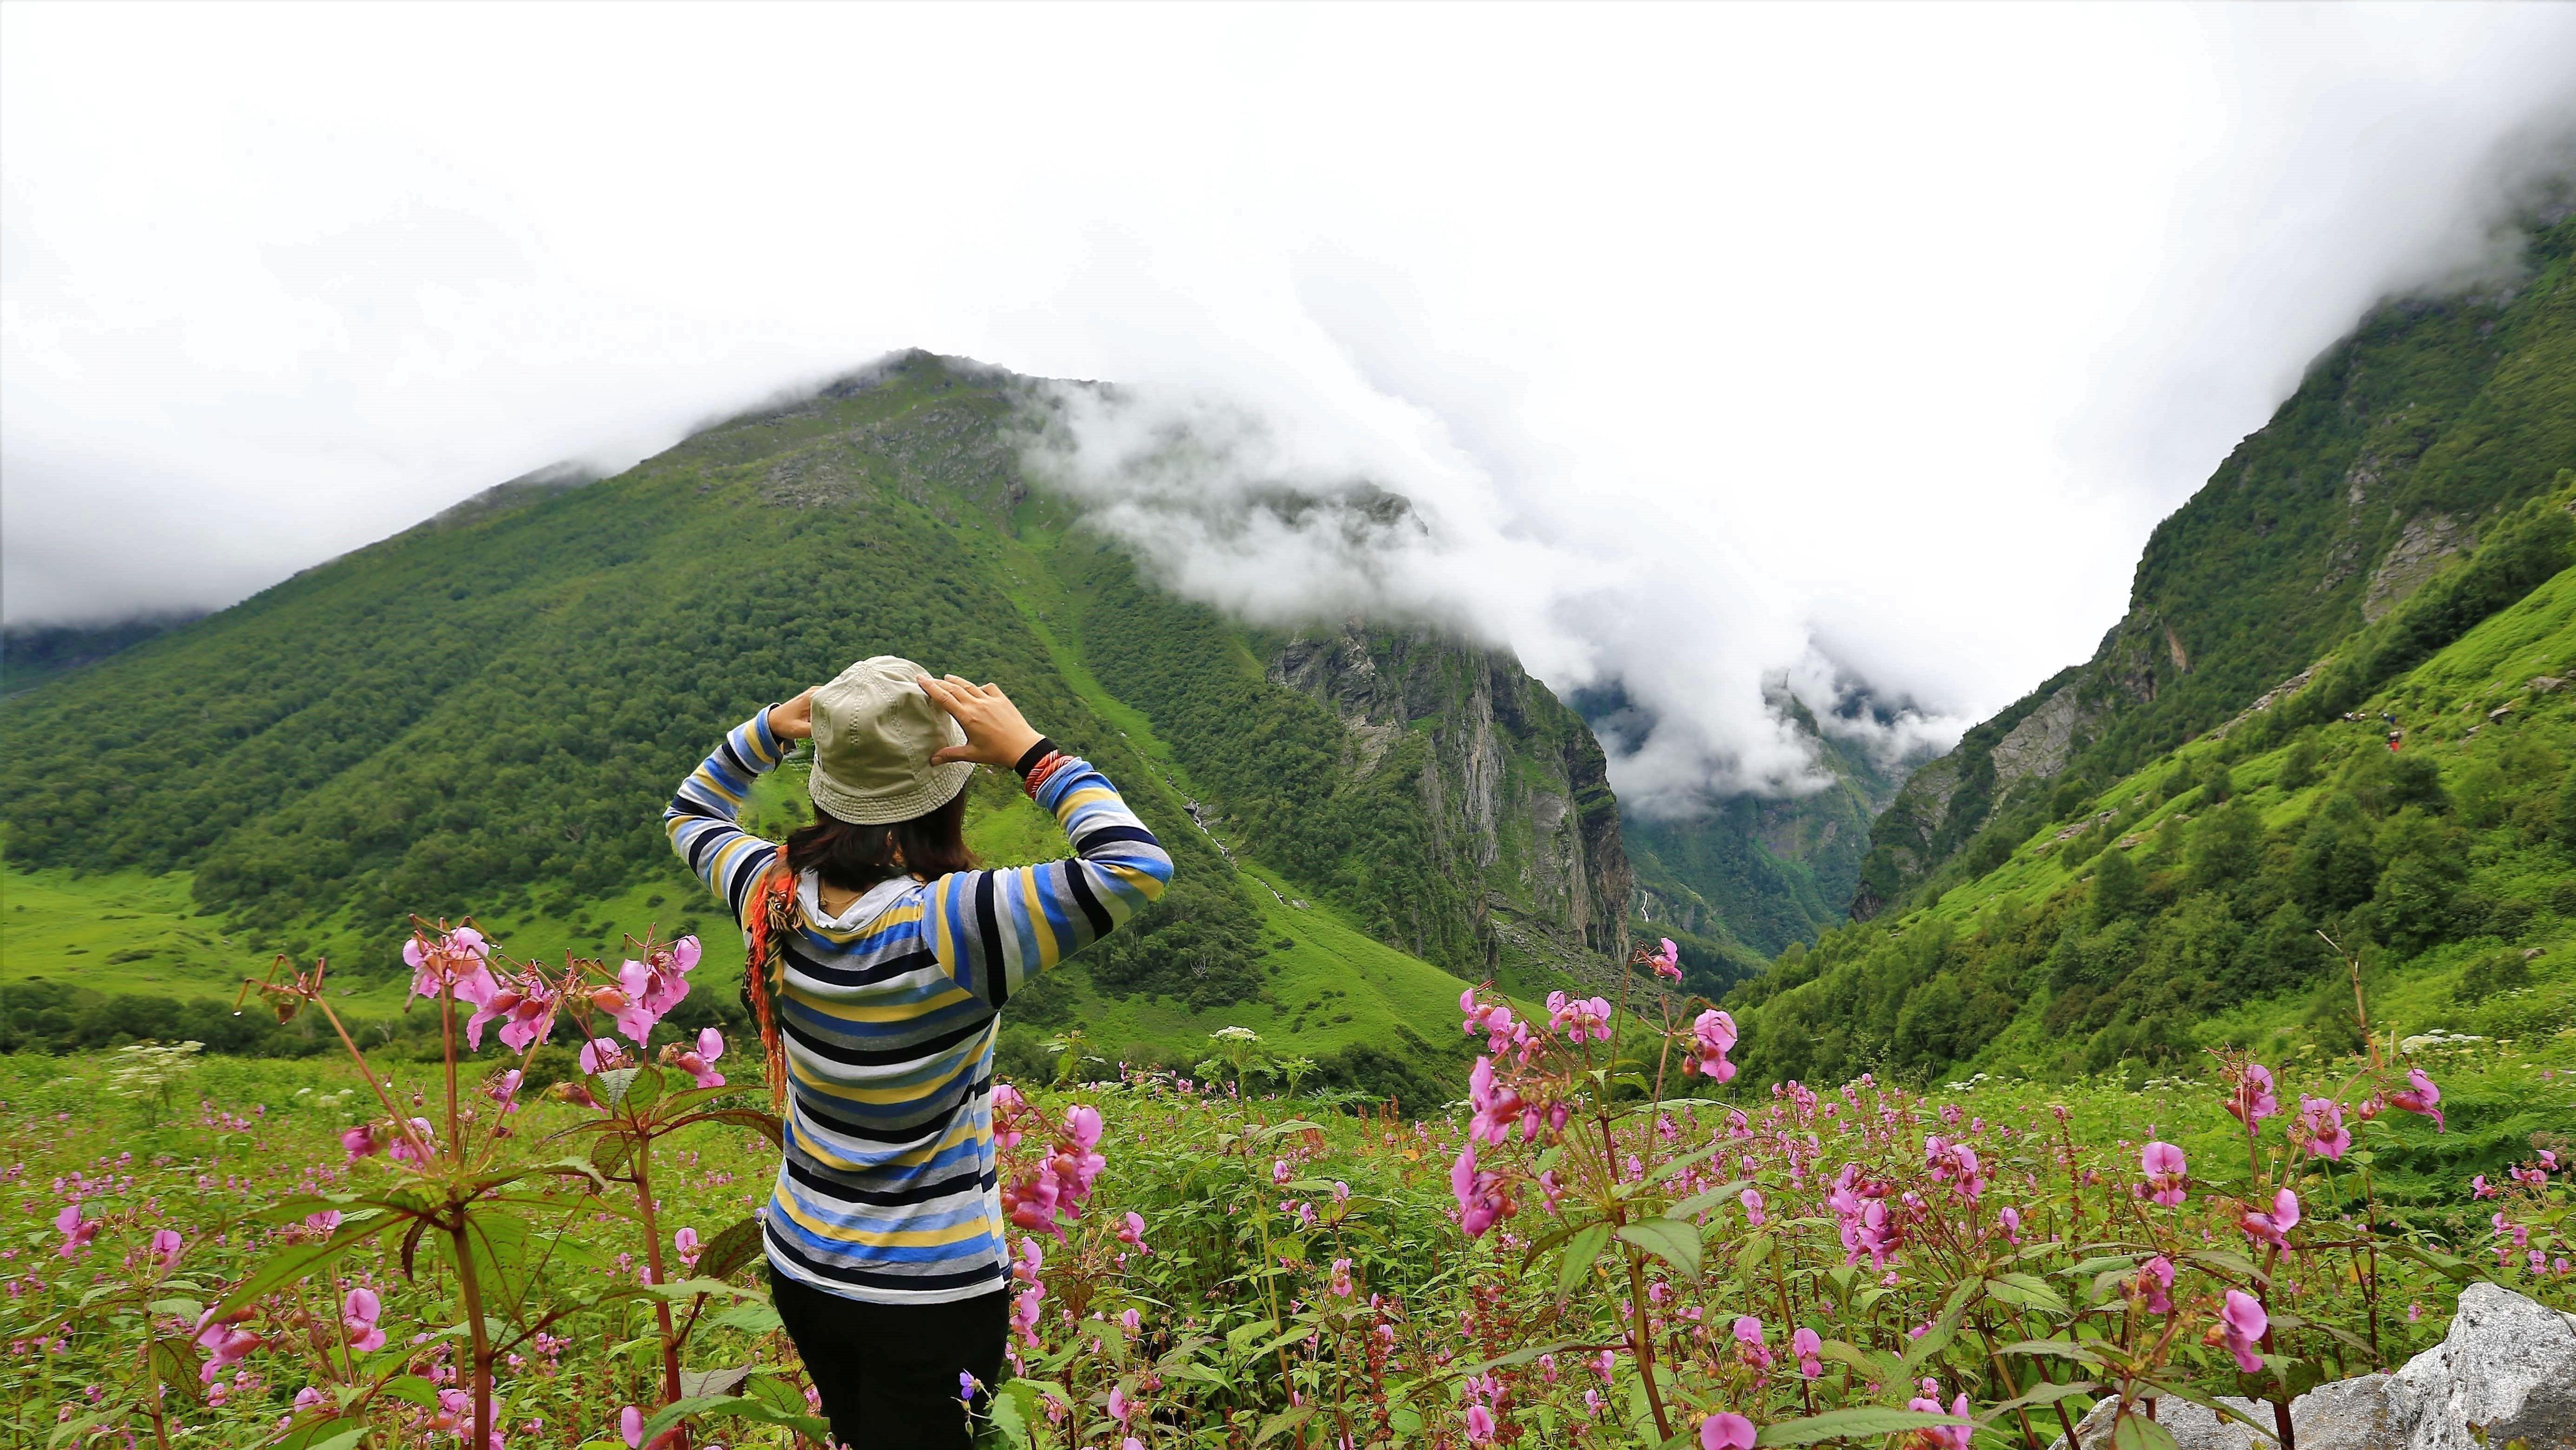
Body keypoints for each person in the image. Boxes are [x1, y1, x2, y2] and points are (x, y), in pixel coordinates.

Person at [664, 656, 1171, 1447]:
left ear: (828, 783)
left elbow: (689, 812)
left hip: (802, 1262)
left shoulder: (768, 891)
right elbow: (1135, 865)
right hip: (931, 1290)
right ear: (948, 782)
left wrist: (767, 728)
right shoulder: (960, 924)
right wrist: (1034, 756)